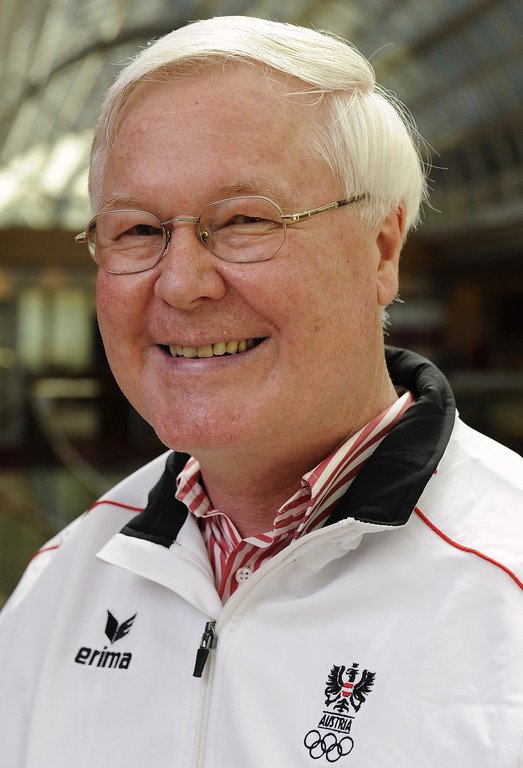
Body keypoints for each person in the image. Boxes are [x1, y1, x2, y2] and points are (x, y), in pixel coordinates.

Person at [1, 15, 522, 768]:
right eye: (138, 230)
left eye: (245, 220)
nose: (181, 283)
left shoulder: (502, 584)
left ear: (381, 250)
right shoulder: (64, 582)